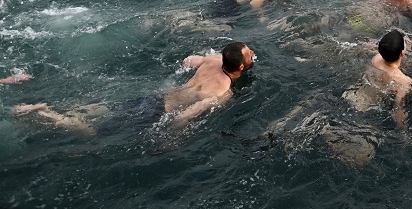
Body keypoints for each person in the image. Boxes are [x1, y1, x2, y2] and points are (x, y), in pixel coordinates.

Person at [12, 42, 255, 133]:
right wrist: (172, 139)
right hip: (157, 113)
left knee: (102, 110)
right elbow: (184, 116)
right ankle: (46, 114)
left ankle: (54, 109)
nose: (252, 53)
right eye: (249, 54)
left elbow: (189, 60)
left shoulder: (212, 60)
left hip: (156, 97)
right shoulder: (223, 92)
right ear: (241, 68)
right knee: (93, 131)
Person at [342, 29, 412, 130]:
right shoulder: (403, 80)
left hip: (351, 97)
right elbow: (398, 108)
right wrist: (404, 131)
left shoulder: (376, 59)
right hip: (366, 113)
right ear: (402, 53)